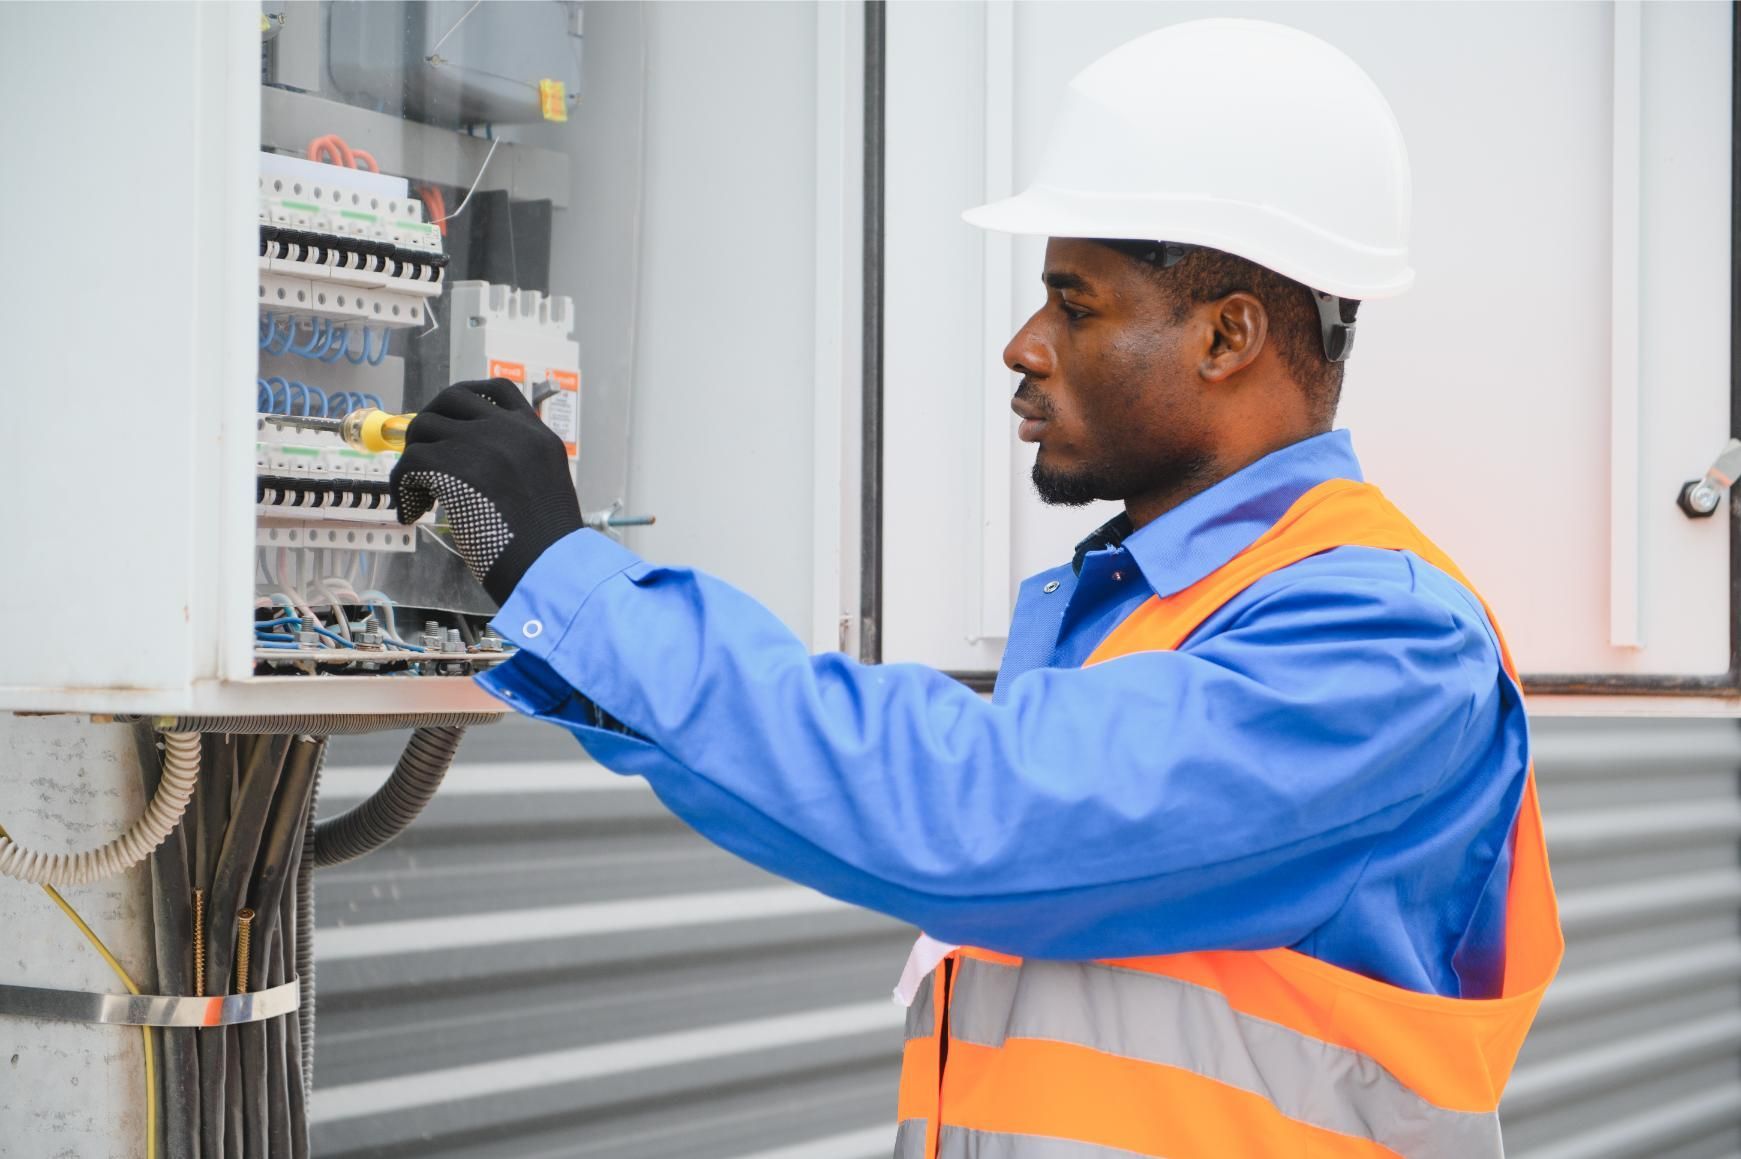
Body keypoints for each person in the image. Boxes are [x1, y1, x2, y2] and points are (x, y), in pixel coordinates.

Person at [391, 19, 1561, 1159]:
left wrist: (567, 576)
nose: (1023, 344)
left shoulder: (1386, 639)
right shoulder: (1144, 608)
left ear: (1226, 337)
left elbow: (973, 815)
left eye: (1076, 303)